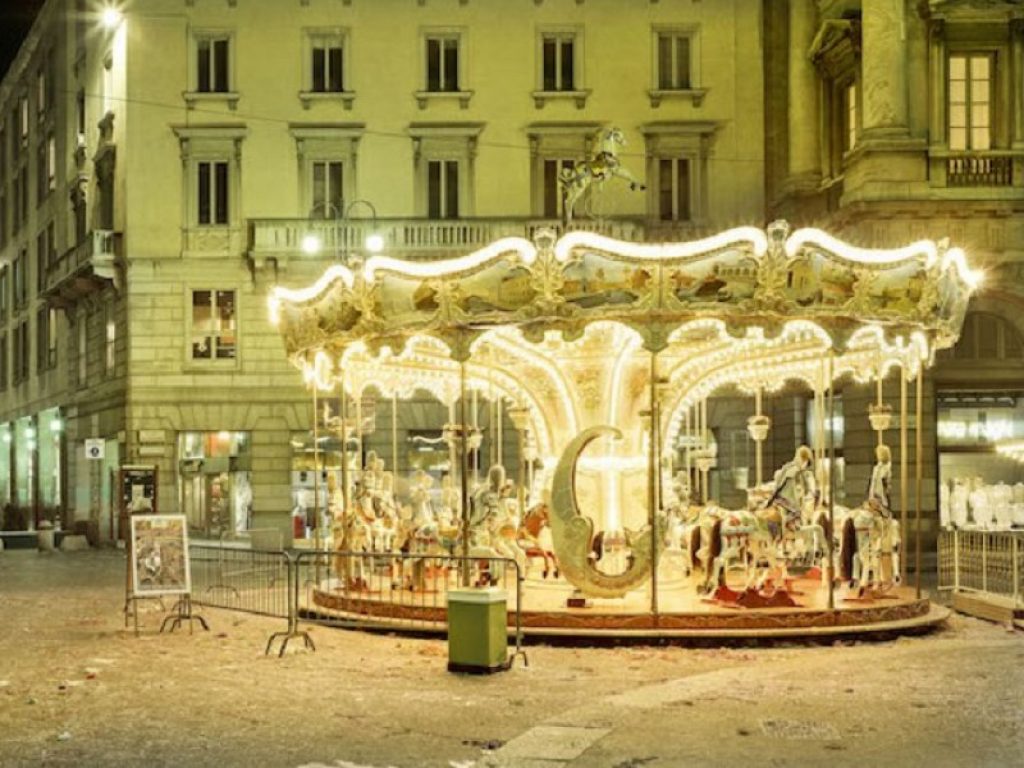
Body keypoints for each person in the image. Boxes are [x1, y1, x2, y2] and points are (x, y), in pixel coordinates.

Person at [767, 445, 817, 518]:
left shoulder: (789, 468)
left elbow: (778, 483)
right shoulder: (796, 472)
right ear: (804, 459)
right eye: (805, 461)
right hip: (788, 505)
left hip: (780, 502)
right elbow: (799, 493)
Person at [867, 444, 892, 513]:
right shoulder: (877, 468)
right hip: (875, 497)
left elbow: (886, 485)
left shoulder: (886, 468)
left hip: (882, 498)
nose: (877, 456)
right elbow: (873, 483)